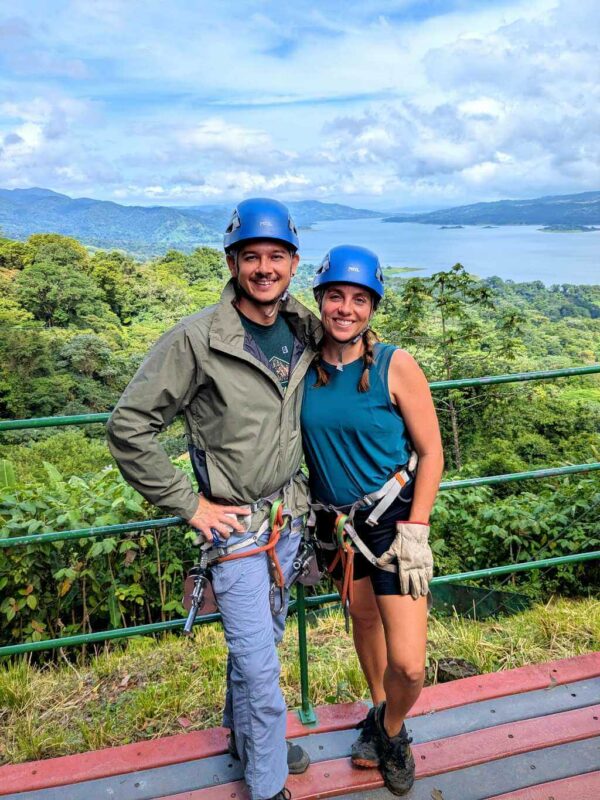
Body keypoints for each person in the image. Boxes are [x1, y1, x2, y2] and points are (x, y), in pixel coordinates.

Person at [107, 198, 321, 800]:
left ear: (293, 262)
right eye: (250, 256)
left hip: (289, 518)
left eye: (275, 256)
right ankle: (268, 781)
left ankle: (251, 739)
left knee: (264, 646)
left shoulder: (304, 329)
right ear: (231, 263)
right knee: (258, 666)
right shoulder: (197, 340)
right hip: (232, 527)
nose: (263, 268)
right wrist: (190, 504)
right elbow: (130, 426)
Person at [301, 245, 444, 796]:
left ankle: (389, 732)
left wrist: (418, 528)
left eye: (359, 299)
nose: (345, 308)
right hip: (335, 530)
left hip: (394, 526)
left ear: (372, 308)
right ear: (320, 301)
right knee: (362, 622)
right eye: (335, 296)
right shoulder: (303, 370)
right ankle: (380, 709)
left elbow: (430, 453)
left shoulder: (394, 365)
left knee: (409, 665)